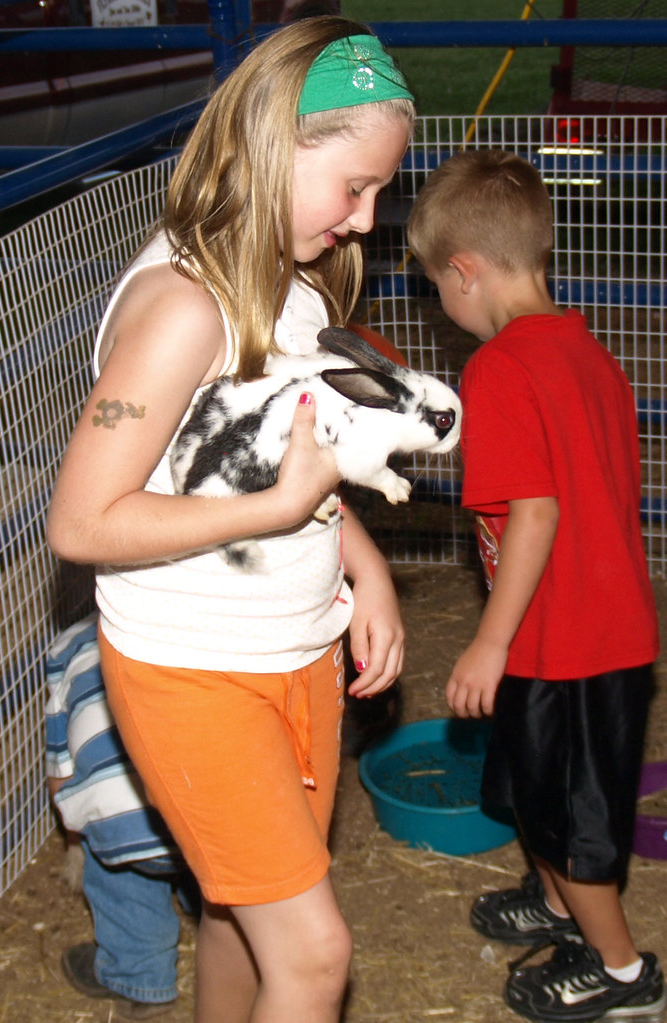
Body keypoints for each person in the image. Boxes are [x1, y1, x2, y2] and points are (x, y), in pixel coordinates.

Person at [47, 17, 414, 1023]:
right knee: (315, 954)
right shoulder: (185, 310)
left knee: (240, 914)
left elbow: (285, 463)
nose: (365, 221)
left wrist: (363, 564)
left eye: (379, 192)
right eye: (354, 187)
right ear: (274, 145)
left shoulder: (292, 289)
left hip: (294, 649)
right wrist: (279, 508)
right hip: (192, 670)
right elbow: (83, 522)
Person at [407, 150, 665, 1023]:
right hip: (585, 629)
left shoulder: (499, 369)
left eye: (434, 286)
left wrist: (488, 639)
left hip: (569, 645)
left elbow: (536, 512)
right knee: (535, 788)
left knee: (570, 822)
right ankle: (557, 907)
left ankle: (622, 971)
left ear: (464, 271)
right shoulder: (585, 349)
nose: (439, 304)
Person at [46, 612, 200, 1020]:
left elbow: (60, 771)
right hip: (196, 803)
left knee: (117, 862)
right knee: (198, 852)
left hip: (123, 819)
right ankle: (216, 923)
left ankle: (141, 979)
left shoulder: (64, 648)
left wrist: (75, 836)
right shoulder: (176, 622)